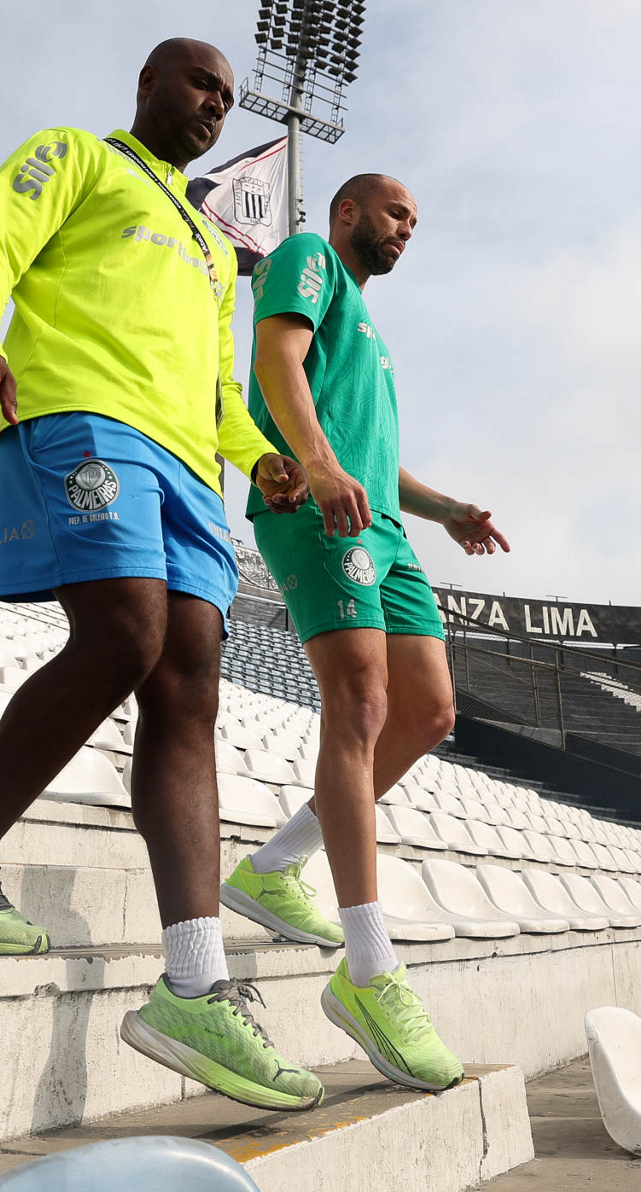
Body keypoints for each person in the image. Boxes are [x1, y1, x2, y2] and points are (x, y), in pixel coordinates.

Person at [0, 37, 324, 1113]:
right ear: (147, 83)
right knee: (125, 633)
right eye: (200, 82)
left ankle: (194, 985)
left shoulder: (215, 245)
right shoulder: (76, 154)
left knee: (190, 685)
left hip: (189, 467)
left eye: (228, 96)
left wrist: (256, 452)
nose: (215, 104)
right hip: (83, 418)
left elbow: (214, 384)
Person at [221, 173, 511, 1093]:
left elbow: (379, 460)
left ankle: (273, 867)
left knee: (430, 713)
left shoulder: (371, 331)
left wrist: (448, 508)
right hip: (318, 505)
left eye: (415, 223)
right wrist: (314, 461)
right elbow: (275, 358)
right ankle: (370, 968)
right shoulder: (308, 257)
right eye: (396, 214)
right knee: (362, 707)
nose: (406, 230)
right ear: (348, 211)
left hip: (380, 521)